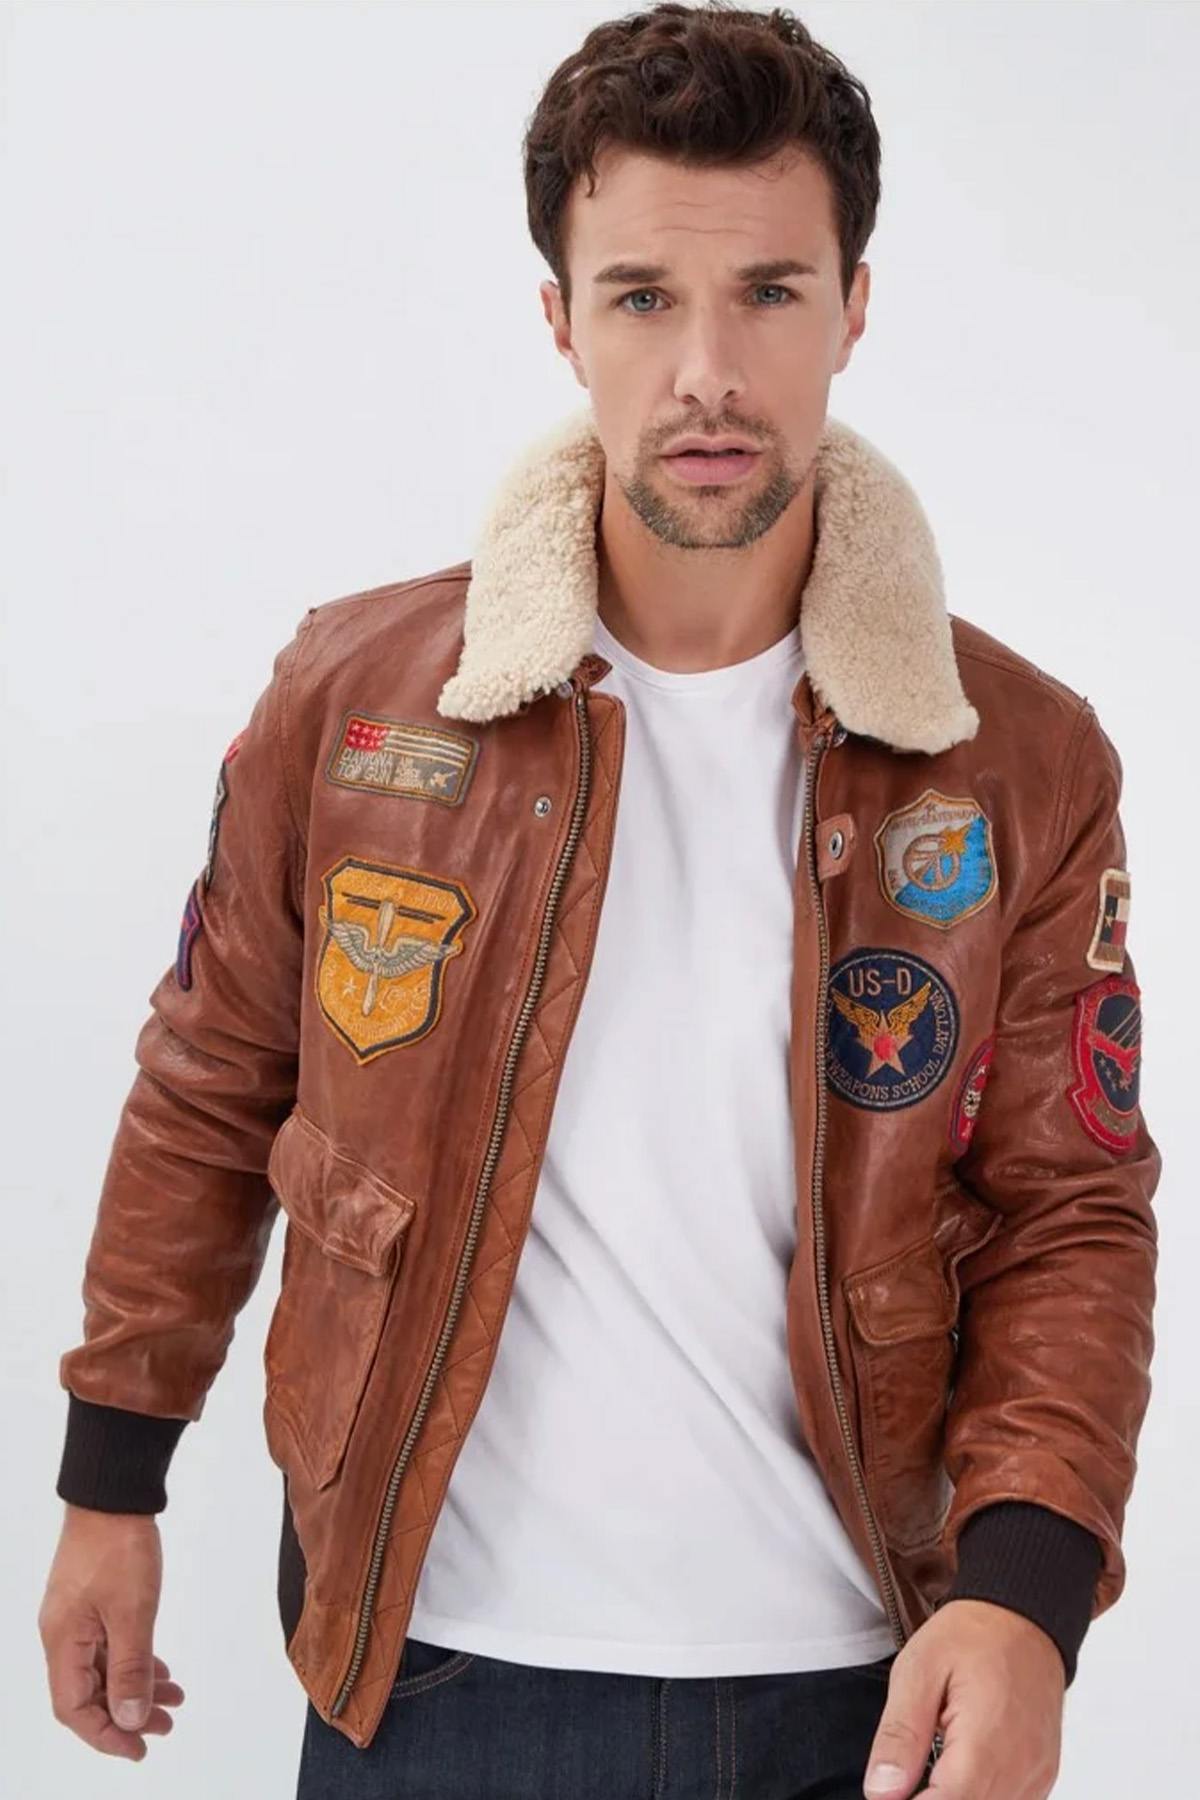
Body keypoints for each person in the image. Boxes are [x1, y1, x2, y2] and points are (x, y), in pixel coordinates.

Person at [39, 5, 1160, 1797]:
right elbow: (210, 1086)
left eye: (770, 293)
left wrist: (1026, 1603)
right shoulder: (358, 703)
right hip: (434, 1679)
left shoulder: (1015, 758)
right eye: (642, 297)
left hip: (866, 1693)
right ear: (560, 319)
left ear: (856, 307)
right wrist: (112, 1483)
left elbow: (1069, 1212)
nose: (707, 369)